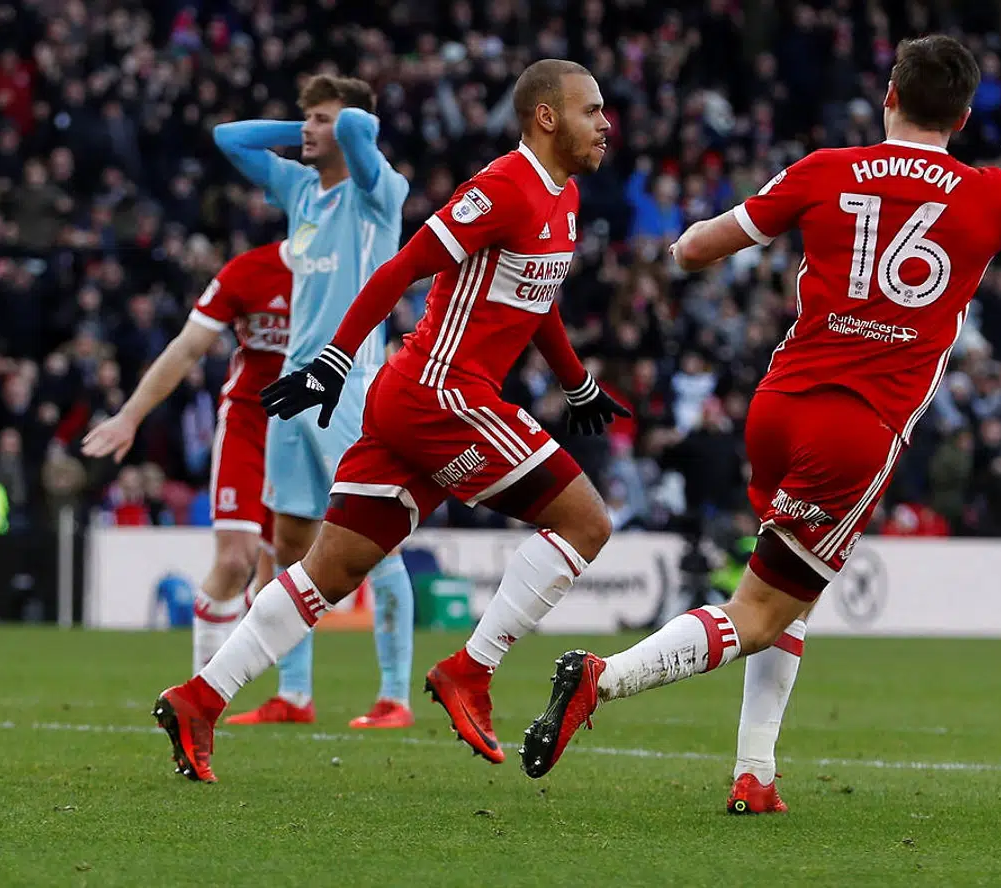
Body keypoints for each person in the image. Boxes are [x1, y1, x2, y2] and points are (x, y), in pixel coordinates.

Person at [515, 35, 1001, 813]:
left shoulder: (827, 168)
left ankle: (754, 773)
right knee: (758, 613)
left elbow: (692, 247)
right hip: (856, 431)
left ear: (889, 95)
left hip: (778, 406)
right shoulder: (991, 195)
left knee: (795, 587)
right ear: (962, 116)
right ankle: (604, 679)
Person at [152, 58, 628, 782]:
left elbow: (542, 302)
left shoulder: (563, 201)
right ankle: (471, 670)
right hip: (442, 394)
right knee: (587, 523)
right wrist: (337, 360)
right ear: (547, 117)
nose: (607, 124)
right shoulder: (503, 186)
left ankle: (199, 698)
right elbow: (400, 268)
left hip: (415, 401)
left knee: (326, 573)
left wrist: (577, 383)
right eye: (593, 110)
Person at [204, 73, 418, 729]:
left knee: (374, 539)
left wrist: (346, 122)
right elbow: (227, 138)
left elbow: (357, 131)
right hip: (290, 389)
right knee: (289, 541)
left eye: (321, 120)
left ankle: (394, 696)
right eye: (308, 119)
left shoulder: (378, 191)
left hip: (348, 384)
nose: (311, 130)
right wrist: (302, 129)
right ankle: (294, 693)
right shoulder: (301, 189)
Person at [82, 243, 289, 676]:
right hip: (249, 424)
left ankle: (288, 691)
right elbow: (186, 348)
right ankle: (201, 692)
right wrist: (130, 416)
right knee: (234, 561)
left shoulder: (348, 275)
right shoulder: (250, 271)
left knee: (284, 580)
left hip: (308, 433)